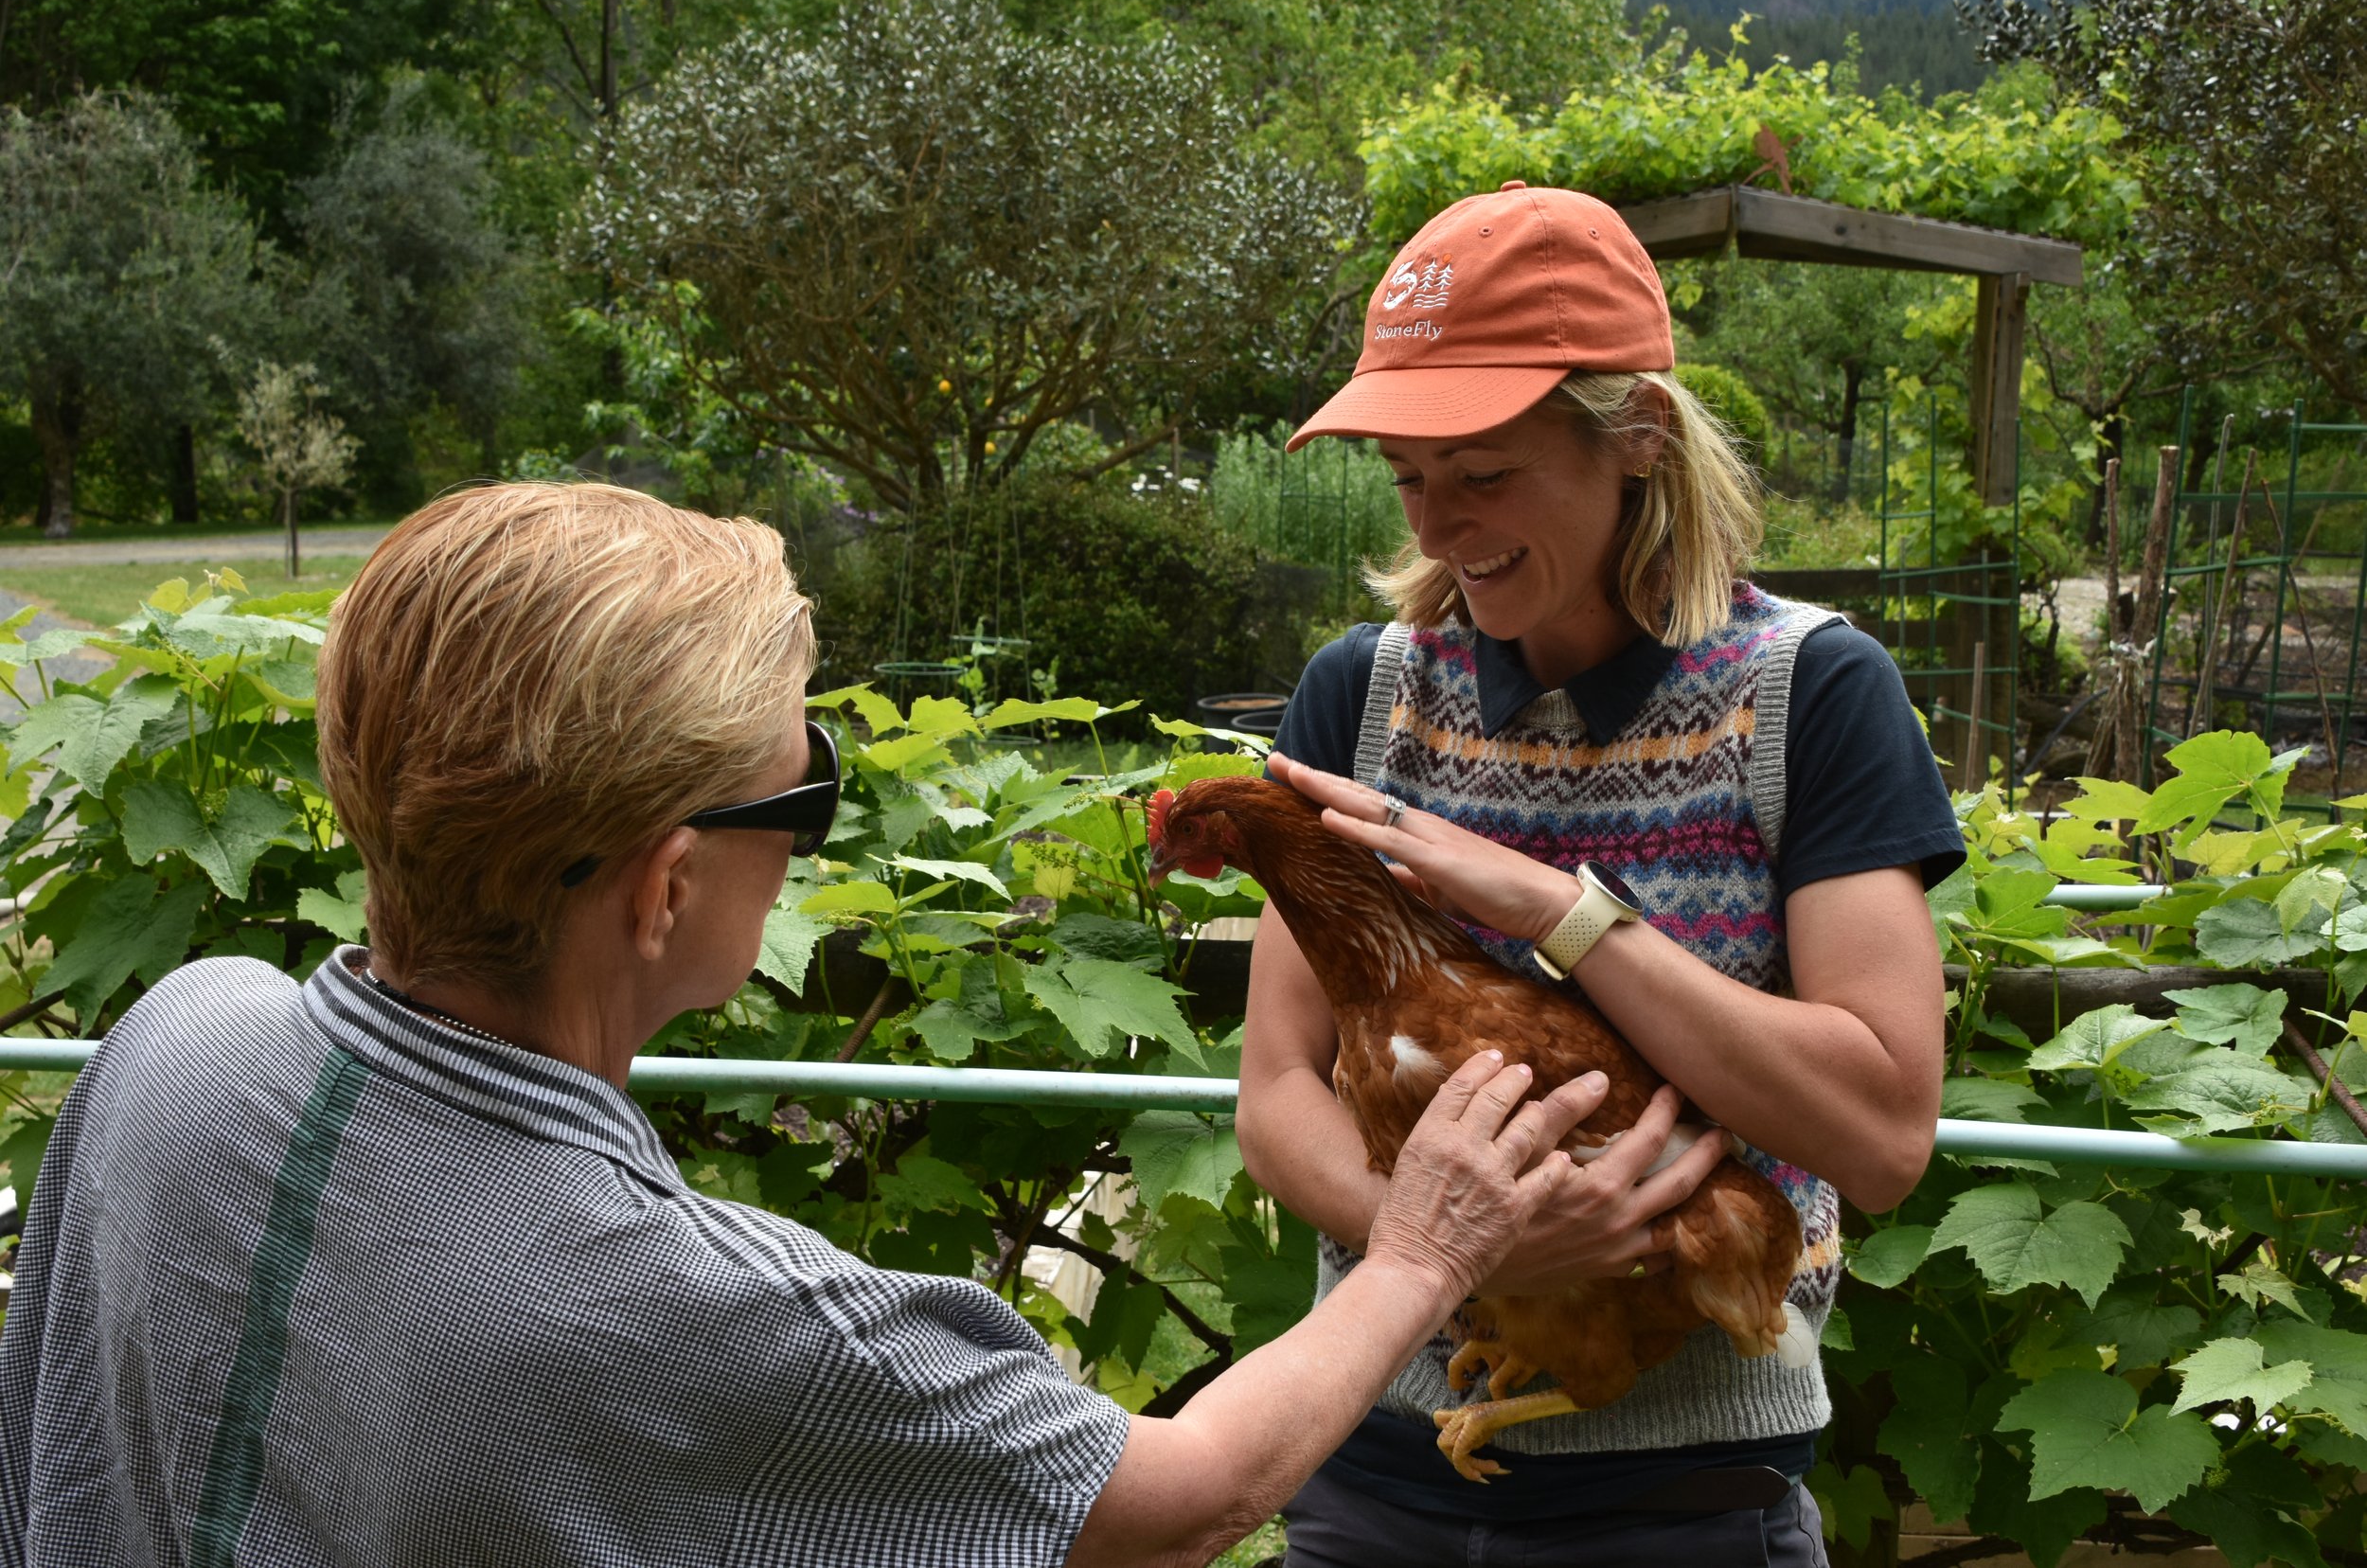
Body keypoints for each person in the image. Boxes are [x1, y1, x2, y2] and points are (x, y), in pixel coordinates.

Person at [0, 481, 1694, 1568]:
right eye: (800, 794)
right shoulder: (703, 1318)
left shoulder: (176, 1041)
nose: (825, 820)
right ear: (663, 893)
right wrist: (1422, 1253)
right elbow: (1190, 1497)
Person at [1237, 184, 1960, 1565]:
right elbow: (1277, 1095)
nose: (1441, 525)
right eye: (1409, 478)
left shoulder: (1810, 693)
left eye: (1485, 473)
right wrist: (1452, 1246)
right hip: (1370, 1467)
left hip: (1686, 1500)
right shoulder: (1361, 700)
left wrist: (1566, 916)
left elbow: (1881, 1135)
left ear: (1634, 440)